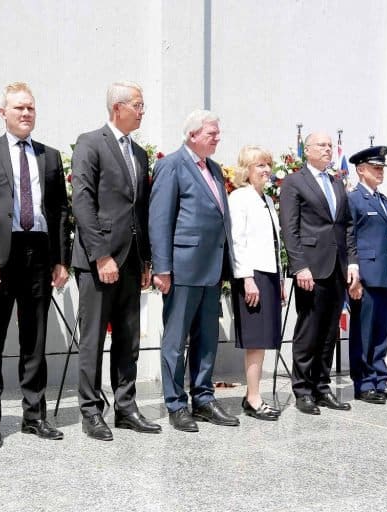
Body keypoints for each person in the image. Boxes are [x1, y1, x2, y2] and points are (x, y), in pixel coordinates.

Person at [0, 82, 70, 449]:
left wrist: (61, 260)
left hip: (38, 253)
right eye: (18, 108)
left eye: (30, 108)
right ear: (3, 113)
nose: (25, 113)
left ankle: (34, 416)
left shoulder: (49, 156)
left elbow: (59, 211)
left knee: (35, 341)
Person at [70, 81, 159, 441]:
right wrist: (101, 254)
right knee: (93, 339)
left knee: (128, 339)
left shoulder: (138, 153)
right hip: (100, 261)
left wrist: (146, 259)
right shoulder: (90, 143)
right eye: (138, 105)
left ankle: (126, 407)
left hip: (132, 261)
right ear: (117, 107)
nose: (142, 111)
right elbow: (82, 202)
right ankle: (91, 411)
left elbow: (141, 209)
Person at [149, 110, 239, 432]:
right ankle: (176, 404)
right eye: (212, 133)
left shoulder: (213, 168)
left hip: (211, 269)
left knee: (207, 338)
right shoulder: (171, 165)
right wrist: (162, 268)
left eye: (217, 133)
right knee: (176, 341)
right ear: (192, 135)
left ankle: (203, 399)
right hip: (183, 269)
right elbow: (160, 219)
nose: (218, 138)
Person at [279, 132, 359, 415]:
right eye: (322, 145)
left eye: (330, 145)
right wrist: (300, 265)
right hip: (311, 268)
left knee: (329, 332)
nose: (327, 149)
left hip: (338, 267)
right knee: (309, 330)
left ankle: (322, 387)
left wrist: (352, 263)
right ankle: (302, 390)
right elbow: (290, 228)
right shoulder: (294, 182)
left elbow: (347, 225)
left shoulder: (337, 182)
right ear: (307, 150)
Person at [227, 145, 284, 420]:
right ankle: (253, 398)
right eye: (260, 165)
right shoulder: (240, 197)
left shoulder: (267, 200)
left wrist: (280, 279)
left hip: (269, 274)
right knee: (256, 340)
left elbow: (274, 243)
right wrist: (247, 279)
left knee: (263, 339)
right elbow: (237, 241)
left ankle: (253, 394)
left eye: (268, 164)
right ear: (246, 170)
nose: (266, 170)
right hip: (252, 275)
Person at [346, 146, 387, 404]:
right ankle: (364, 383)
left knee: (382, 331)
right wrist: (354, 274)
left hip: (386, 275)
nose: (380, 172)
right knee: (364, 333)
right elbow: (349, 238)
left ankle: (380, 380)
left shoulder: (384, 201)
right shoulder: (353, 199)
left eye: (382, 168)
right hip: (366, 276)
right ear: (361, 170)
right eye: (375, 167)